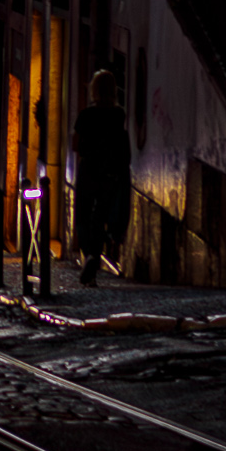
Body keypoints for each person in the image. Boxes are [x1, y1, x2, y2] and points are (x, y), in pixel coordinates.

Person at [71, 68, 133, 287]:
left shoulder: (86, 115)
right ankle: (95, 258)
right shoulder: (119, 115)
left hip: (88, 170)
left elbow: (75, 144)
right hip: (109, 173)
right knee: (100, 218)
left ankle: (88, 255)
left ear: (94, 90)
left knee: (83, 215)